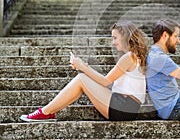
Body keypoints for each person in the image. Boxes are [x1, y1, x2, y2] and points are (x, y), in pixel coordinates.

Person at [20, 20, 148, 121]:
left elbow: (105, 81)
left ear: (125, 36)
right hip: (126, 107)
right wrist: (83, 67)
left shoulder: (129, 57)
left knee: (81, 79)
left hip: (123, 107)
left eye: (115, 38)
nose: (113, 42)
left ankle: (45, 112)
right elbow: (108, 83)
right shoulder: (133, 55)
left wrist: (83, 67)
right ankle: (48, 112)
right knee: (82, 80)